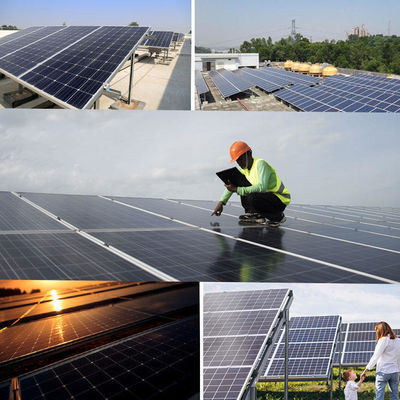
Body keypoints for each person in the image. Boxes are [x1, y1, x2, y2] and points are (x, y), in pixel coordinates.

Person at [211, 141, 291, 226]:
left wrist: (237, 189)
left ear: (249, 154)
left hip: (280, 199)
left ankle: (278, 217)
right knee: (241, 184)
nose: (239, 162)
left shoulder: (260, 164)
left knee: (249, 194)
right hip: (266, 198)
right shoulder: (244, 170)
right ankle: (254, 214)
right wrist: (221, 202)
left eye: (240, 158)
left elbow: (262, 187)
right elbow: (232, 186)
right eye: (237, 160)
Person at [361, 321, 400, 400]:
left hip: (383, 371)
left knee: (379, 396)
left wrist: (366, 369)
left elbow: (376, 356)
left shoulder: (383, 340)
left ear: (380, 331)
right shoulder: (398, 340)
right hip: (395, 372)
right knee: (395, 396)